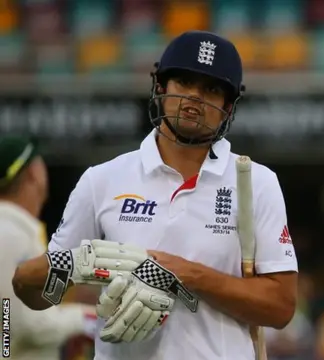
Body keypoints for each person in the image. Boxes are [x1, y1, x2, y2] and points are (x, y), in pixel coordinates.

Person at [12, 30, 298, 360]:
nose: (195, 98)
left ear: (228, 106)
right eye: (184, 83)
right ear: (161, 87)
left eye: (212, 89)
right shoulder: (102, 180)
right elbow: (44, 297)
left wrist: (188, 275)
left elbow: (281, 308)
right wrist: (26, 279)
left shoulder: (256, 182)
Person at [0, 136, 96, 360]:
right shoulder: (10, 234)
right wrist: (89, 319)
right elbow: (19, 323)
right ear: (34, 173)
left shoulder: (15, 230)